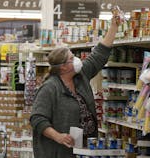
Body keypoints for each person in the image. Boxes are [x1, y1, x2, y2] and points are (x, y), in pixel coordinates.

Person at [30, 16, 120, 158]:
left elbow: (99, 55)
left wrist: (114, 27)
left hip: (84, 150)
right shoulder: (49, 88)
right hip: (58, 152)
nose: (77, 61)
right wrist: (58, 136)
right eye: (72, 59)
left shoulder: (80, 76)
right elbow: (37, 118)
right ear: (63, 68)